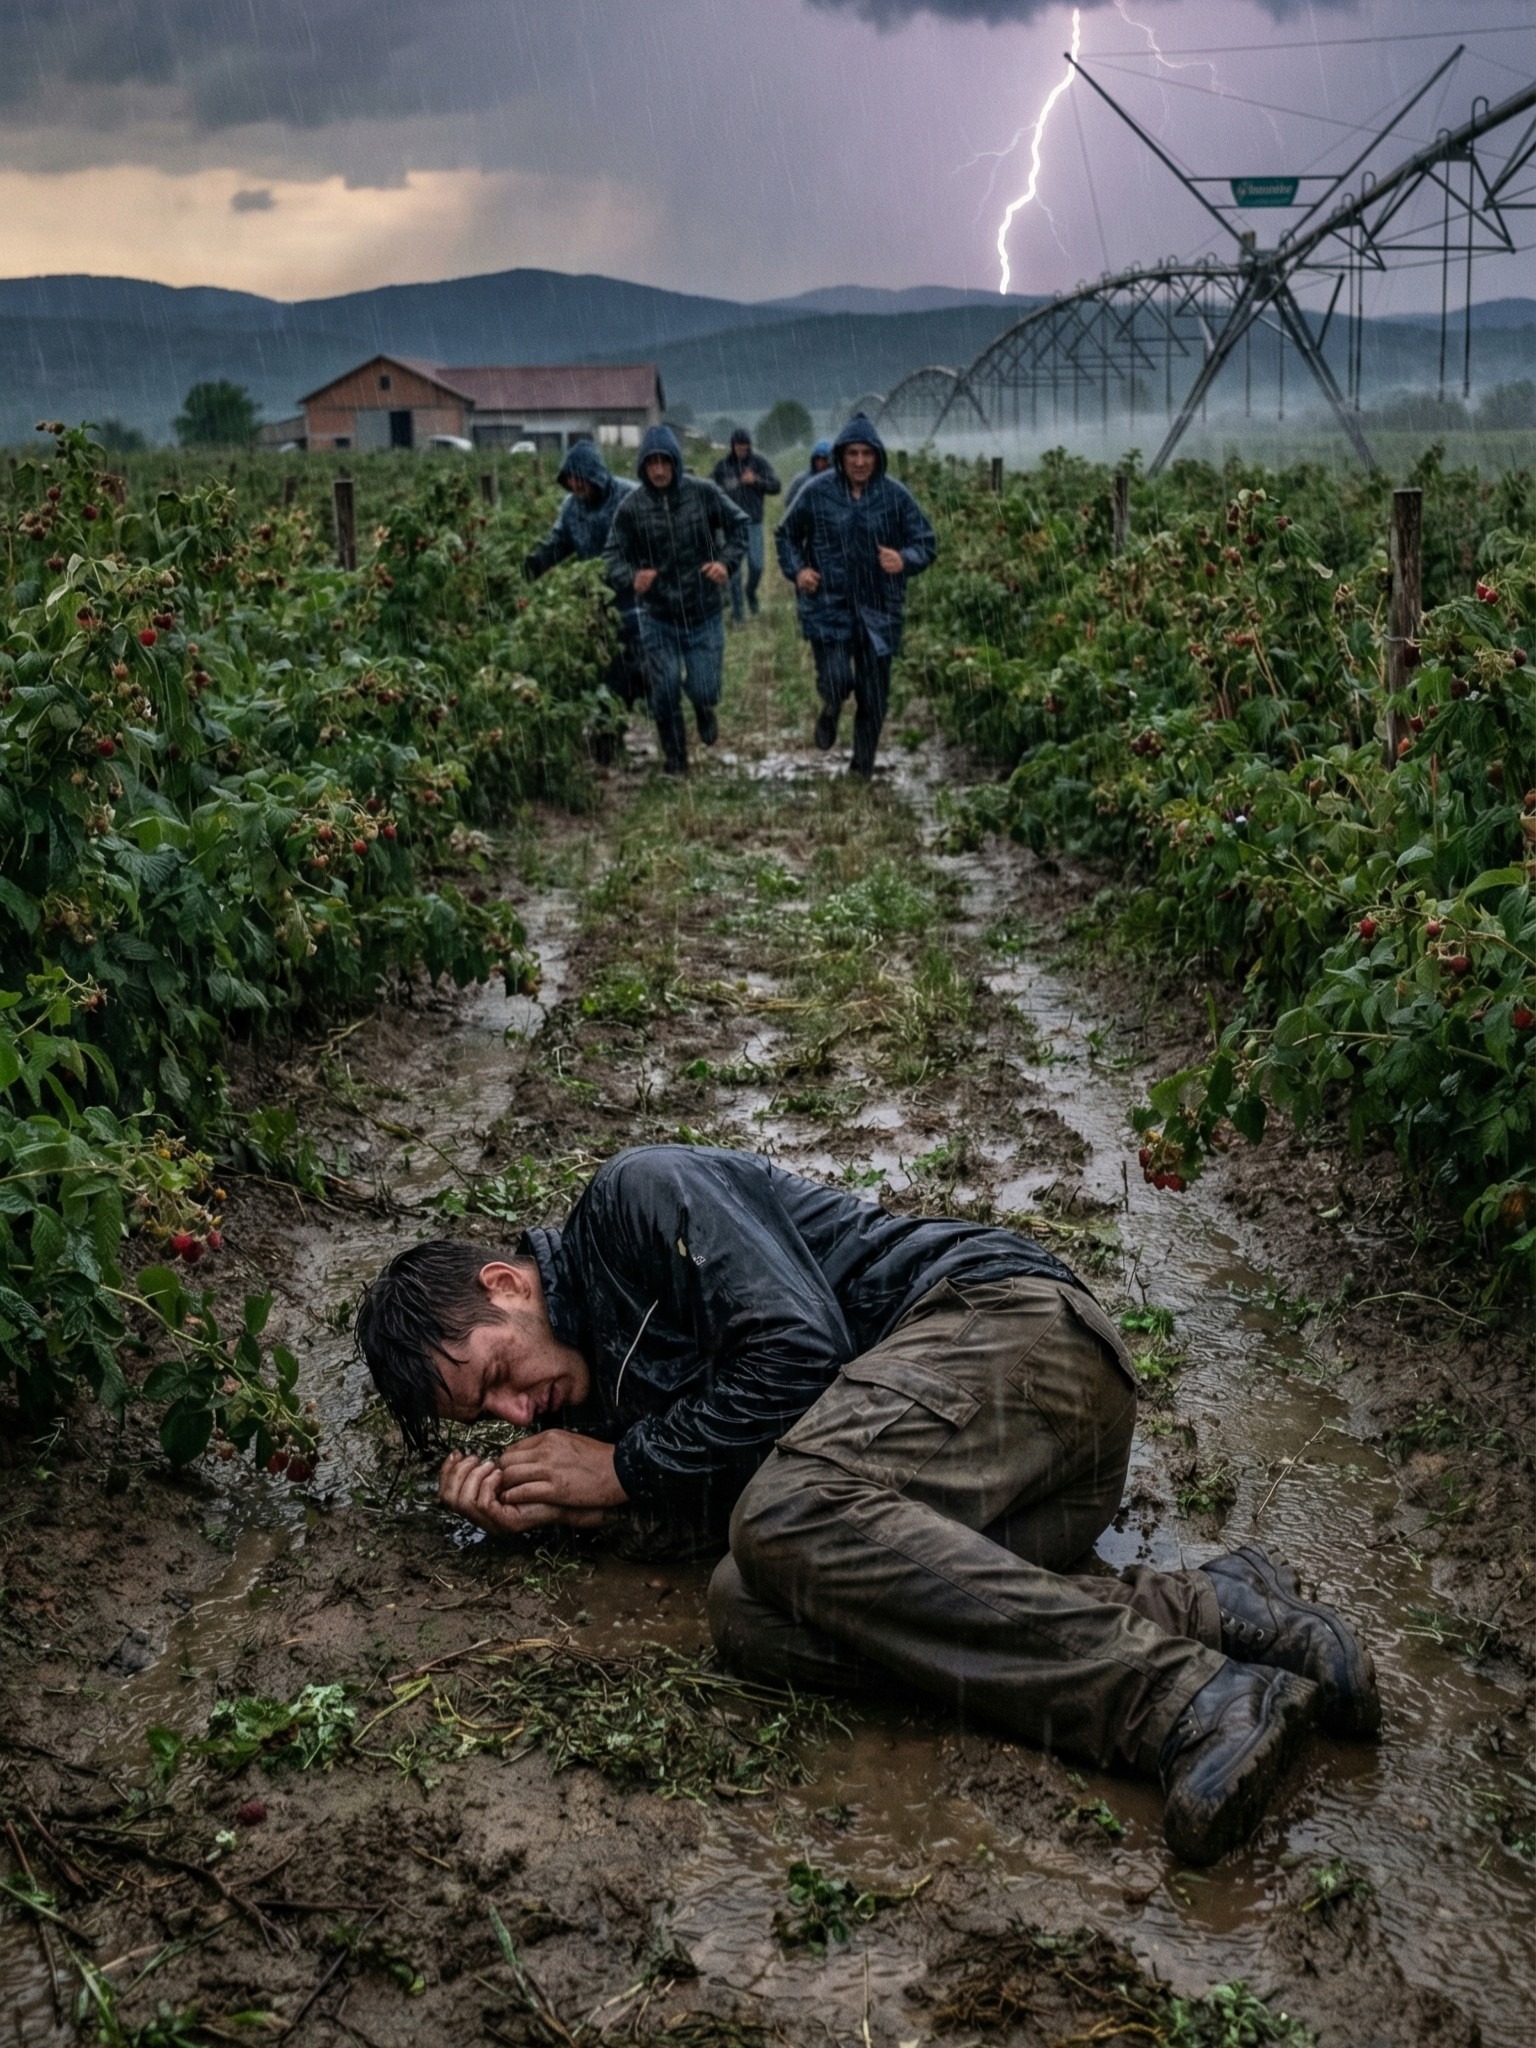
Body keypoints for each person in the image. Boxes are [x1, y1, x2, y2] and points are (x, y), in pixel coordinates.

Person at [355, 1144, 1380, 1868]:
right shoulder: (594, 1392)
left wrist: (623, 1467)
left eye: (498, 1373)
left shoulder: (637, 1197)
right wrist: (567, 1509)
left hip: (1019, 1340)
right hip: (993, 1489)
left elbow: (803, 1352)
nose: (513, 1409)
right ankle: (1212, 1609)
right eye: (484, 1416)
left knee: (783, 1517)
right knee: (746, 1608)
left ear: (508, 1284)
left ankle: (1186, 1701)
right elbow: (765, 1512)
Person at [775, 413, 936, 774]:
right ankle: (831, 706)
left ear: (877, 456)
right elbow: (785, 534)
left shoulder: (895, 496)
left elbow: (926, 542)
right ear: (841, 456)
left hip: (880, 608)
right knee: (837, 679)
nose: (860, 462)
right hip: (828, 605)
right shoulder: (817, 492)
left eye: (867, 454)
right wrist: (799, 571)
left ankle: (861, 769)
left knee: (873, 695)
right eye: (853, 454)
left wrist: (904, 558)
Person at [605, 425, 750, 776]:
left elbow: (739, 526)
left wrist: (725, 563)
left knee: (705, 688)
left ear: (676, 462)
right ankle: (675, 759)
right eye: (651, 463)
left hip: (703, 612)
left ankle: (702, 706)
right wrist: (631, 577)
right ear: (643, 466)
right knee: (664, 690)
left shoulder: (703, 494)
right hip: (658, 616)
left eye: (665, 462)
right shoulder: (632, 508)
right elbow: (612, 555)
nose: (658, 471)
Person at [522, 439, 644, 758]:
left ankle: (640, 723)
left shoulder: (629, 497)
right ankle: (607, 735)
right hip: (595, 600)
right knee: (606, 671)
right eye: (570, 479)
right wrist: (529, 566)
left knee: (637, 668)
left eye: (581, 478)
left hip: (634, 599)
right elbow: (557, 543)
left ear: (595, 475)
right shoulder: (571, 509)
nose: (576, 485)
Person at [712, 428, 781, 624]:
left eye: (745, 446)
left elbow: (776, 486)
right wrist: (732, 487)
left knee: (756, 566)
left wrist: (756, 481)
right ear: (733, 446)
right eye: (738, 446)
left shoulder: (759, 463)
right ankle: (739, 615)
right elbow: (712, 489)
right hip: (731, 525)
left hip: (754, 524)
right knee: (733, 574)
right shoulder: (723, 466)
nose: (741, 449)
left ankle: (750, 592)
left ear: (749, 445)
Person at [784, 437, 833, 511]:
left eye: (824, 460)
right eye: (818, 459)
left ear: (830, 461)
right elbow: (789, 503)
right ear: (813, 460)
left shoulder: (838, 479)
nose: (820, 464)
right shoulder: (801, 480)